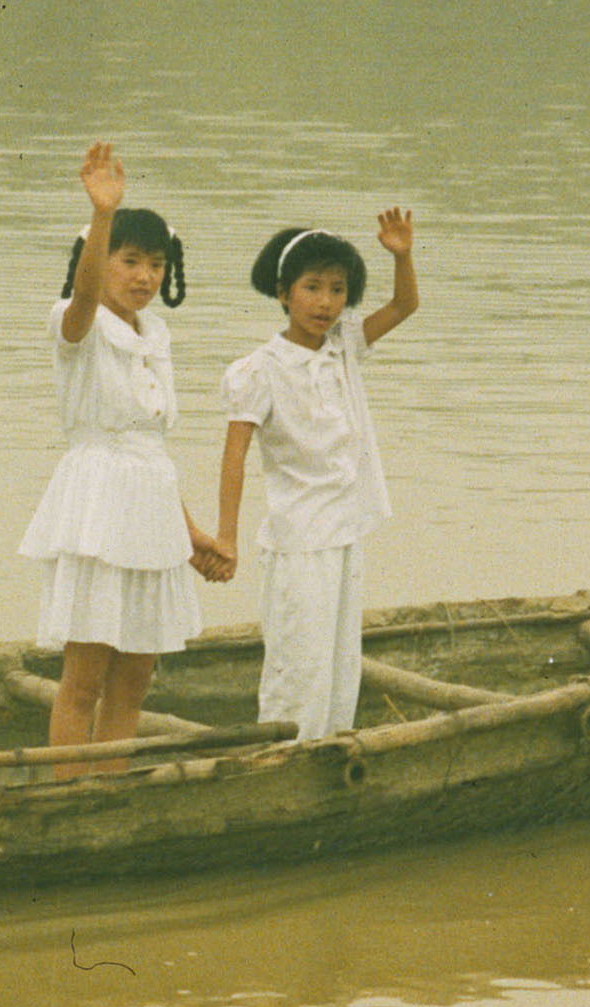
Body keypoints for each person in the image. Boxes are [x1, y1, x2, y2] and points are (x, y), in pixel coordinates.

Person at [16, 143, 227, 776]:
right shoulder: (72, 324)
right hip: (97, 510)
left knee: (135, 675)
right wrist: (102, 214)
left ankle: (109, 789)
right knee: (84, 675)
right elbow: (83, 303)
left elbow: (148, 449)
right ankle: (66, 794)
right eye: (129, 261)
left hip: (149, 510)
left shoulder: (154, 334)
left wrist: (190, 534)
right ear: (98, 260)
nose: (143, 276)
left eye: (155, 265)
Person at [211, 209, 418, 739]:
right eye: (311, 287)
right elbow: (233, 457)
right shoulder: (258, 370)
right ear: (283, 293)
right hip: (300, 540)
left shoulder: (344, 346)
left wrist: (401, 255)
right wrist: (226, 538)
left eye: (337, 289)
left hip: (345, 532)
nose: (325, 302)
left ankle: (327, 750)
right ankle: (283, 757)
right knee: (298, 663)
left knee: (340, 662)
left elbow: (404, 304)